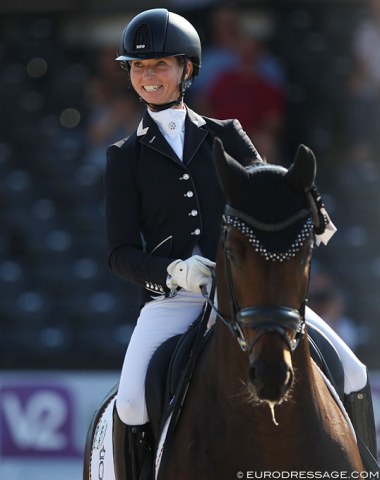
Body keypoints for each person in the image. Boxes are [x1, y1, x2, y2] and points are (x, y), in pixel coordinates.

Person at [104, 8, 377, 479]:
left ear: (187, 69)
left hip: (251, 292)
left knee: (352, 371)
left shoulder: (225, 133)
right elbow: (119, 252)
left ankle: (365, 468)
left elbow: (272, 187)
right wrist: (172, 271)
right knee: (129, 401)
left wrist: (313, 209)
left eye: (161, 64)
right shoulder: (124, 157)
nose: (149, 76)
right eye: (139, 66)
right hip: (178, 299)